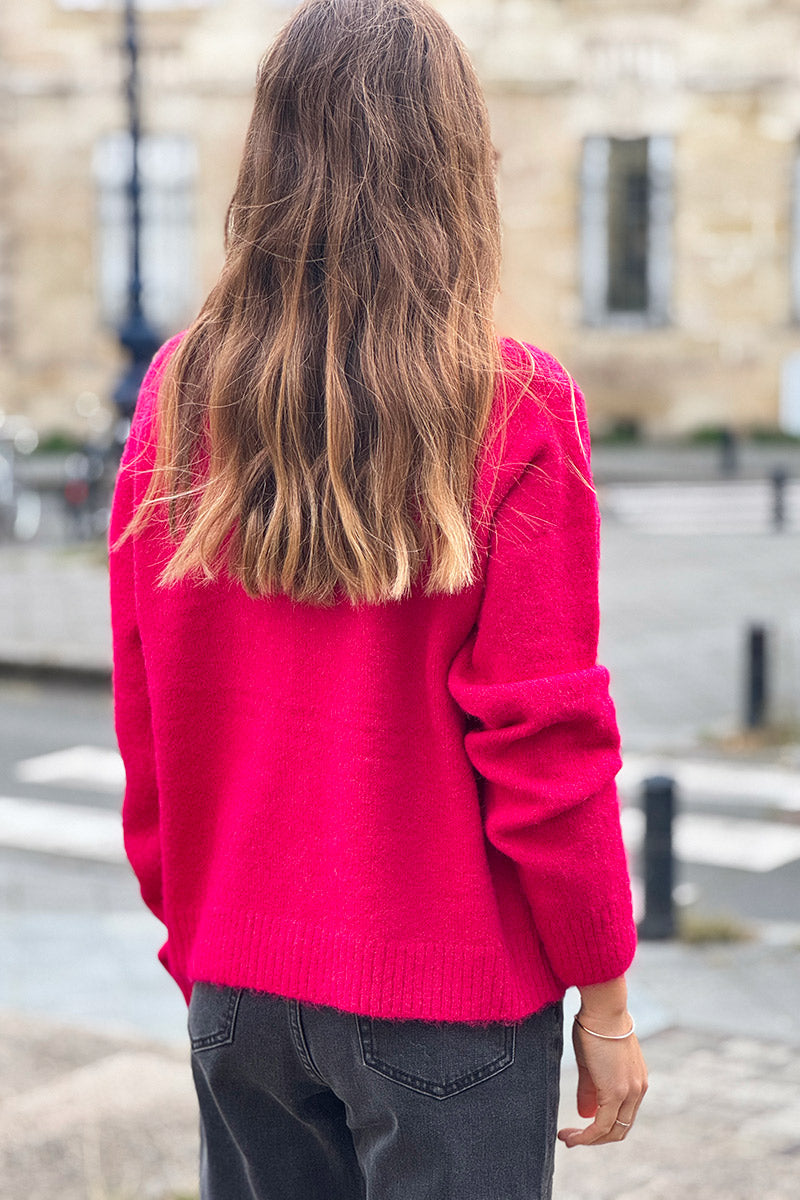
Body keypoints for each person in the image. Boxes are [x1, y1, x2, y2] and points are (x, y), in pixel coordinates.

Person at [108, 2, 647, 1197]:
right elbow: (545, 741)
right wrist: (601, 991)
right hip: (447, 1000)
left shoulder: (178, 392)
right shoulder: (509, 404)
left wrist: (203, 937)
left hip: (238, 984)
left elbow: (147, 709)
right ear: (455, 163)